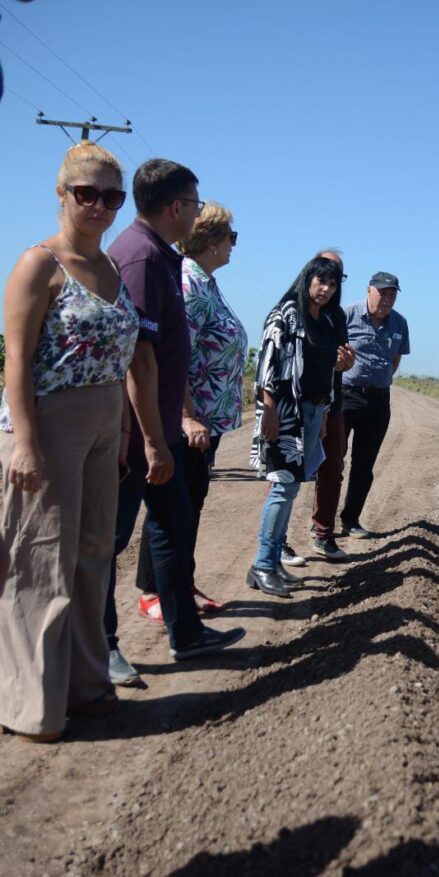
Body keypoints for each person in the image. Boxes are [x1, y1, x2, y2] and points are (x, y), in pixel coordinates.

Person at [0, 141, 139, 742]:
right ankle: (32, 703)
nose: (102, 206)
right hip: (50, 423)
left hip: (106, 424)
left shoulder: (110, 268)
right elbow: (16, 362)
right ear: (62, 194)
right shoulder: (40, 264)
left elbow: (122, 356)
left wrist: (127, 426)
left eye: (113, 196)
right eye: (89, 194)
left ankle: (85, 685)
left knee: (91, 558)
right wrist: (26, 443)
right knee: (39, 562)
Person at [105, 159, 245, 683]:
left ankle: (185, 634)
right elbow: (138, 358)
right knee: (111, 541)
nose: (198, 211)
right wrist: (155, 437)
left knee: (173, 525)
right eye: (194, 202)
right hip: (137, 433)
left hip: (158, 428)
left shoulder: (160, 256)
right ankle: (103, 648)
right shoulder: (141, 258)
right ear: (175, 207)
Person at [133, 202, 248, 622]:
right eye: (231, 237)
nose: (234, 246)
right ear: (212, 241)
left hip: (207, 419)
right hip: (192, 420)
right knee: (172, 507)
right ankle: (154, 590)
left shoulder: (206, 282)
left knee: (191, 503)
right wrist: (186, 415)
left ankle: (181, 581)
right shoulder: (189, 283)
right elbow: (174, 356)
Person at [248, 255, 349, 597]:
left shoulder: (330, 320)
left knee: (291, 489)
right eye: (320, 281)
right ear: (307, 280)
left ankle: (271, 561)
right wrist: (270, 409)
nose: (325, 289)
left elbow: (327, 370)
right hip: (285, 411)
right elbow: (268, 362)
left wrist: (322, 416)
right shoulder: (287, 313)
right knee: (282, 486)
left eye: (332, 284)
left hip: (312, 411)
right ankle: (263, 564)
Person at [312, 270, 410, 553]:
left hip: (379, 402)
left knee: (364, 466)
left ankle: (350, 519)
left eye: (392, 294)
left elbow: (395, 359)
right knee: (332, 462)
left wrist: (378, 380)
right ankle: (322, 521)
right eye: (383, 292)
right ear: (369, 290)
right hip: (346, 396)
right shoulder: (346, 316)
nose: (387, 299)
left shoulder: (400, 323)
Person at [306, 248, 354, 562]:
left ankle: (324, 535)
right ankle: (276, 545)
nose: (329, 284)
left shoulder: (337, 315)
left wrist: (345, 364)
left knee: (332, 469)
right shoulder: (295, 311)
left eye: (336, 278)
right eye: (323, 275)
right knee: (289, 474)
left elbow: (340, 358)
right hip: (301, 406)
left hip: (332, 404)